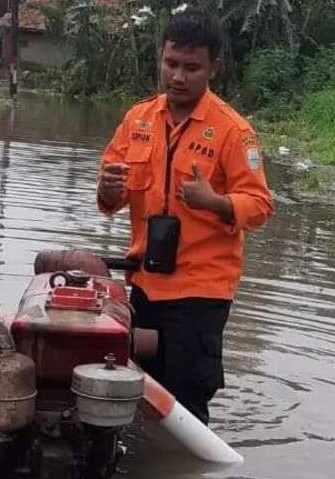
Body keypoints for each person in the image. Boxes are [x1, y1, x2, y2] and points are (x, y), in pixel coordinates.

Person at [97, 11, 274, 426]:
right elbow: (110, 195)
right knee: (136, 396)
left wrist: (214, 202)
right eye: (170, 63)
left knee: (186, 403)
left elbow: (260, 205)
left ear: (215, 67)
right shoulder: (137, 120)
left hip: (200, 291)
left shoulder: (233, 131)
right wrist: (107, 190)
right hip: (143, 285)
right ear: (160, 58)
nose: (177, 76)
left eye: (191, 68)